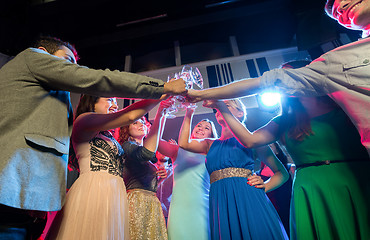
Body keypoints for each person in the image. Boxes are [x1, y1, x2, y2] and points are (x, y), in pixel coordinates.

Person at [0, 36, 186, 239]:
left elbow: (144, 149)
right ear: (43, 51)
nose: (73, 68)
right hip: (77, 191)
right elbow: (123, 108)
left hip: (80, 199)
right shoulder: (33, 58)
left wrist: (161, 106)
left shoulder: (109, 136)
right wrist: (162, 89)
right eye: (68, 60)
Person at [206, 60, 370, 239]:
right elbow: (249, 140)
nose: (284, 82)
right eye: (280, 79)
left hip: (353, 179)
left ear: (309, 74)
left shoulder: (344, 105)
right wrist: (221, 106)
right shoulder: (284, 120)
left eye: (289, 76)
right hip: (308, 187)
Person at [186, 0, 370, 156]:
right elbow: (264, 84)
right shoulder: (336, 61)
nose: (340, 8)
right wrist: (207, 97)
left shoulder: (339, 108)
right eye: (335, 12)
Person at [46, 95, 163, 239]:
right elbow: (129, 116)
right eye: (110, 100)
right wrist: (161, 95)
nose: (115, 105)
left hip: (115, 194)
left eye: (115, 101)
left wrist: (161, 112)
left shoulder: (110, 136)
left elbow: (147, 152)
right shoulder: (83, 121)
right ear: (92, 102)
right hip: (94, 190)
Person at [180, 98, 289, 240]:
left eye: (226, 105)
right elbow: (183, 143)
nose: (219, 109)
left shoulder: (253, 140)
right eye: (218, 107)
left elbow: (282, 173)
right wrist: (189, 110)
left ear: (240, 113)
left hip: (249, 198)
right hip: (220, 203)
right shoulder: (209, 144)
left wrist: (265, 186)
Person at [158, 106, 218, 240]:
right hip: (179, 207)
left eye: (206, 128)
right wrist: (161, 114)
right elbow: (156, 142)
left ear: (211, 136)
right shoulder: (177, 149)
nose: (201, 128)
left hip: (203, 205)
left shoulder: (213, 152)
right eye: (199, 125)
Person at [117, 102, 168, 240]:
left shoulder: (149, 156)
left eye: (143, 122)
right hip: (136, 202)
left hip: (151, 202)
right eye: (135, 123)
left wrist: (160, 177)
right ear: (126, 129)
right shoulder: (127, 146)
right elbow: (143, 154)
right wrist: (161, 113)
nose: (141, 125)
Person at [154, 151, 174, 225]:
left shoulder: (174, 170)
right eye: (161, 150)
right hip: (153, 211)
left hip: (170, 213)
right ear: (156, 153)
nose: (164, 152)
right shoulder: (151, 168)